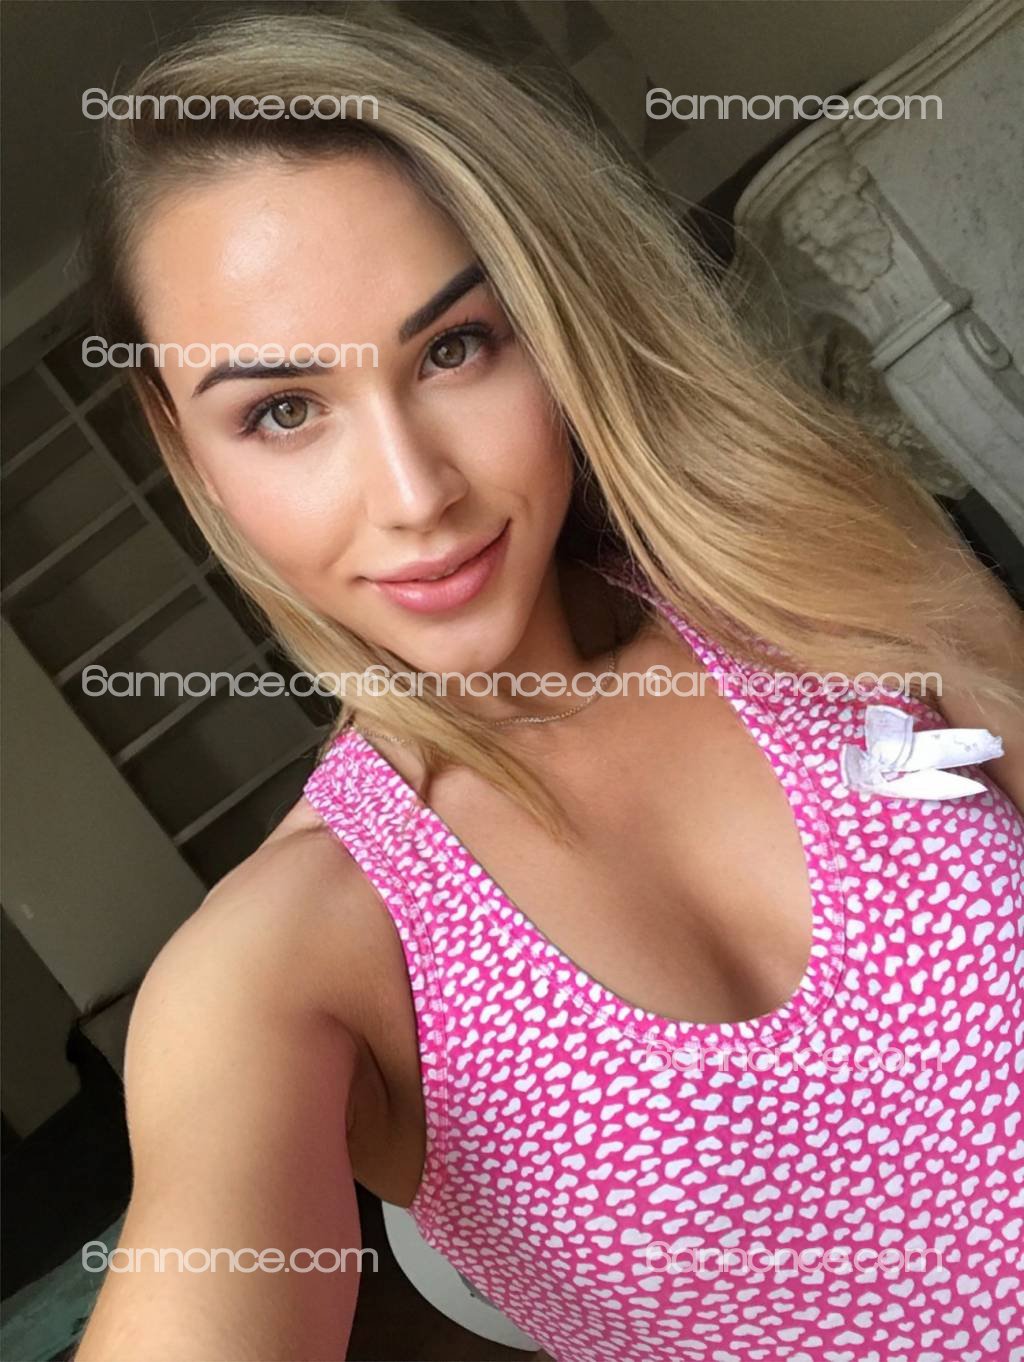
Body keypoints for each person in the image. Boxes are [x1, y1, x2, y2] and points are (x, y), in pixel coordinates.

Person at [72, 9, 1024, 1361]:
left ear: (549, 318)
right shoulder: (284, 961)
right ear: (188, 449)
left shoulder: (823, 579)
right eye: (283, 410)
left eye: (454, 347)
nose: (415, 493)